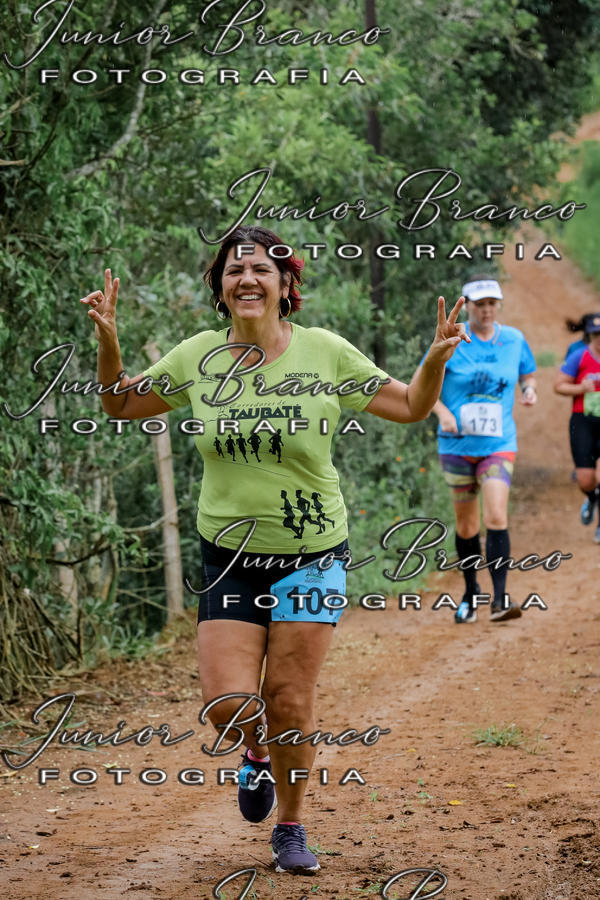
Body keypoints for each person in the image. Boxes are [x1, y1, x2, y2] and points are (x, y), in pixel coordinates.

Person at [80, 225, 469, 875]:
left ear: (286, 286)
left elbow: (410, 406)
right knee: (230, 705)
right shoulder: (198, 356)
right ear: (220, 289)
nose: (247, 279)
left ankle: (290, 827)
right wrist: (109, 339)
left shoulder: (323, 353)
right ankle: (255, 754)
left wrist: (435, 358)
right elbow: (120, 404)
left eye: (260, 268)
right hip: (229, 555)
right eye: (234, 271)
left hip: (313, 554)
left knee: (289, 698)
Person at [413, 274, 537, 624]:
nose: (485, 310)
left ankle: (500, 599)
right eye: (479, 304)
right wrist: (442, 412)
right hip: (456, 445)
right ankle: (471, 592)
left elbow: (528, 372)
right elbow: (421, 384)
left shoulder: (513, 339)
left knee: (496, 516)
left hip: (498, 444)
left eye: (491, 304)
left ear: (498, 306)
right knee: (467, 526)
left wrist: (529, 390)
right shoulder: (453, 339)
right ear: (467, 306)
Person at [554, 313, 600, 542]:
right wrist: (581, 388)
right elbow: (559, 386)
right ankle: (592, 498)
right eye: (596, 334)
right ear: (589, 334)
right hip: (583, 420)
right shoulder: (578, 356)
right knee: (585, 479)